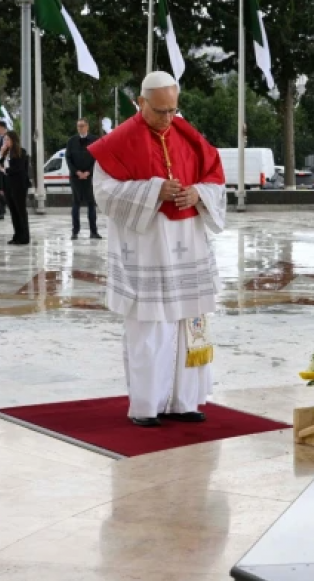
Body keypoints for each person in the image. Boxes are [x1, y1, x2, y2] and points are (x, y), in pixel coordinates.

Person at [89, 71, 226, 428]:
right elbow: (104, 193)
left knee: (190, 323)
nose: (169, 118)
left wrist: (198, 194)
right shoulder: (119, 141)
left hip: (189, 243)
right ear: (141, 102)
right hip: (147, 245)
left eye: (173, 110)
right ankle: (147, 405)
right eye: (161, 111)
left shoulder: (186, 133)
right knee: (151, 326)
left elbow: (214, 177)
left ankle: (186, 400)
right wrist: (153, 191)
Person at [66, 118, 101, 240]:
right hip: (75, 177)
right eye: (78, 126)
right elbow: (68, 158)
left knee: (91, 204)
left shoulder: (94, 140)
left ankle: (94, 231)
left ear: (87, 126)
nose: (80, 128)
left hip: (90, 177)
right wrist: (77, 172)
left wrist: (88, 172)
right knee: (76, 203)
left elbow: (98, 158)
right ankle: (75, 231)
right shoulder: (71, 141)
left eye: (82, 126)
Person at [0, 131, 30, 244]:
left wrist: (5, 170)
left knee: (20, 210)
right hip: (8, 185)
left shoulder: (21, 152)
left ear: (13, 140)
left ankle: (25, 236)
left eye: (8, 139)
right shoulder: (6, 153)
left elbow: (19, 168)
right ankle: (17, 234)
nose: (6, 142)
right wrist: (1, 154)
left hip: (18, 185)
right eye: (4, 139)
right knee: (12, 211)